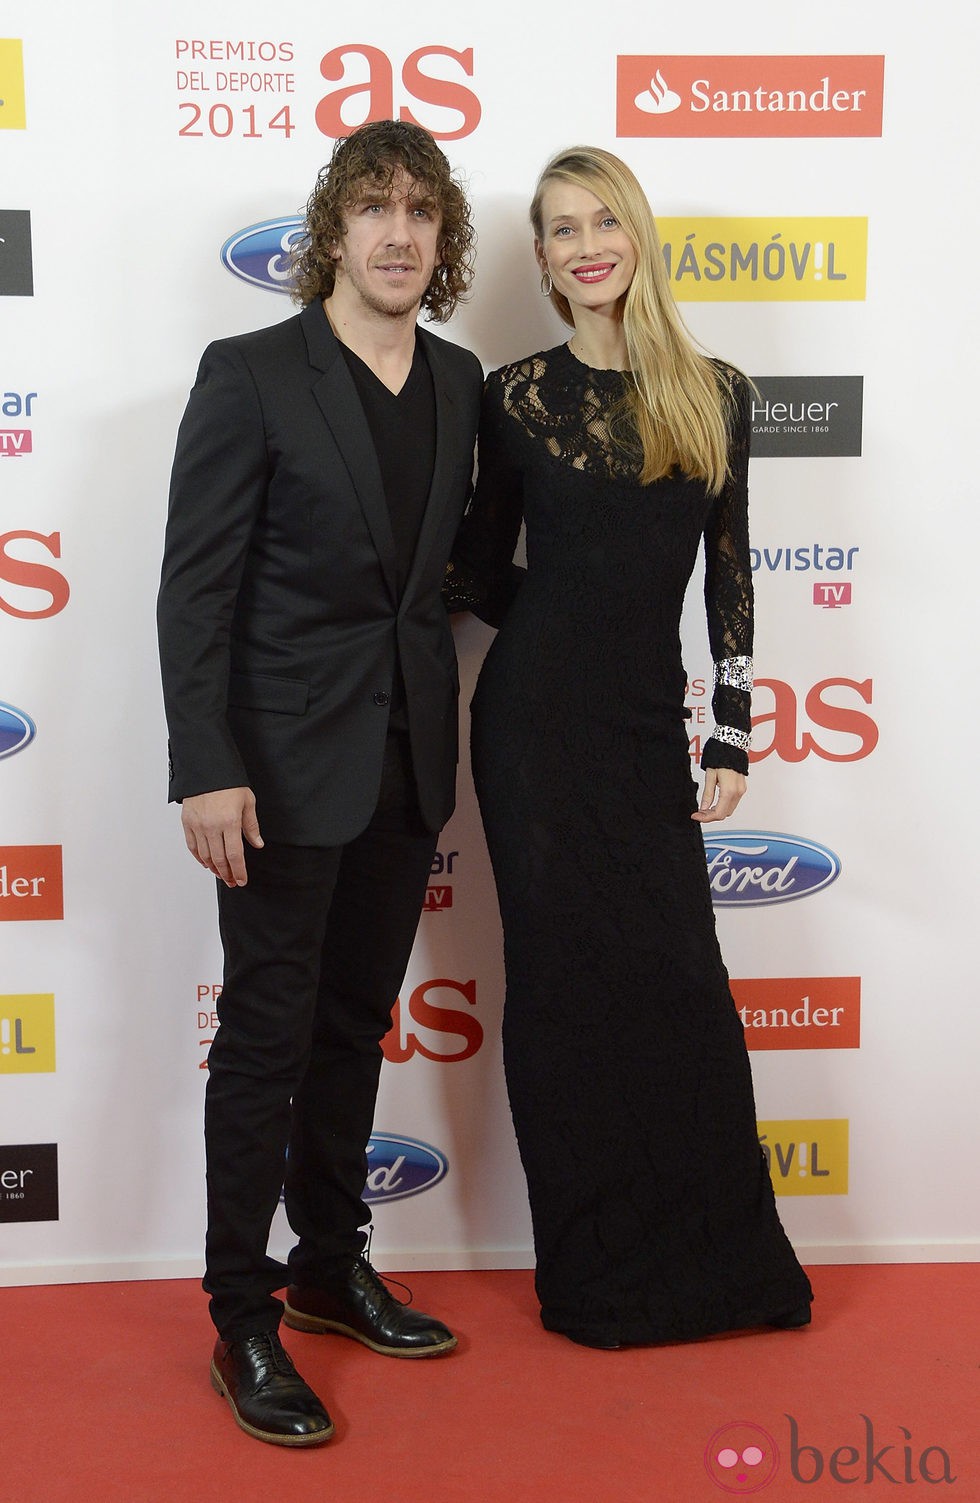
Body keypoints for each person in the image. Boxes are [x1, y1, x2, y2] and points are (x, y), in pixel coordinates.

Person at [446, 146, 813, 1349]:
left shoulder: (716, 391)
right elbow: (469, 565)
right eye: (559, 229)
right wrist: (563, 621)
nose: (585, 242)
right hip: (535, 728)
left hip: (650, 728)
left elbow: (731, 576)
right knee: (562, 991)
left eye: (602, 219)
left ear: (637, 235)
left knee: (677, 986)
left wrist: (732, 733)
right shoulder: (514, 395)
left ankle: (723, 1273)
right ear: (544, 262)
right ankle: (597, 1283)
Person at [157, 120, 482, 1445]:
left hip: (408, 758)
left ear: (442, 239)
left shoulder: (459, 380)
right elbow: (196, 587)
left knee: (357, 1024)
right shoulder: (250, 373)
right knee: (266, 1037)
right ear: (332, 232)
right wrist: (205, 766)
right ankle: (242, 1310)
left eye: (421, 211)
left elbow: (445, 581)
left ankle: (327, 1266)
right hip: (279, 773)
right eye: (374, 208)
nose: (398, 232)